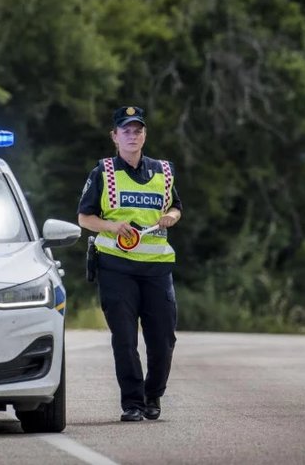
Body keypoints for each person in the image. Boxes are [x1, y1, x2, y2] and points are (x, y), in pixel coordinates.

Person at [77, 105, 182, 422]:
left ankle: (153, 396)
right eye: (126, 130)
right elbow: (84, 217)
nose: (132, 135)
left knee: (163, 341)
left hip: (156, 270)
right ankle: (133, 404)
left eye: (138, 130)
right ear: (115, 136)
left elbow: (177, 207)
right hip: (116, 268)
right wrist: (112, 226)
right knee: (125, 340)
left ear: (144, 135)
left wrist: (171, 217)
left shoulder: (163, 172)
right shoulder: (104, 172)